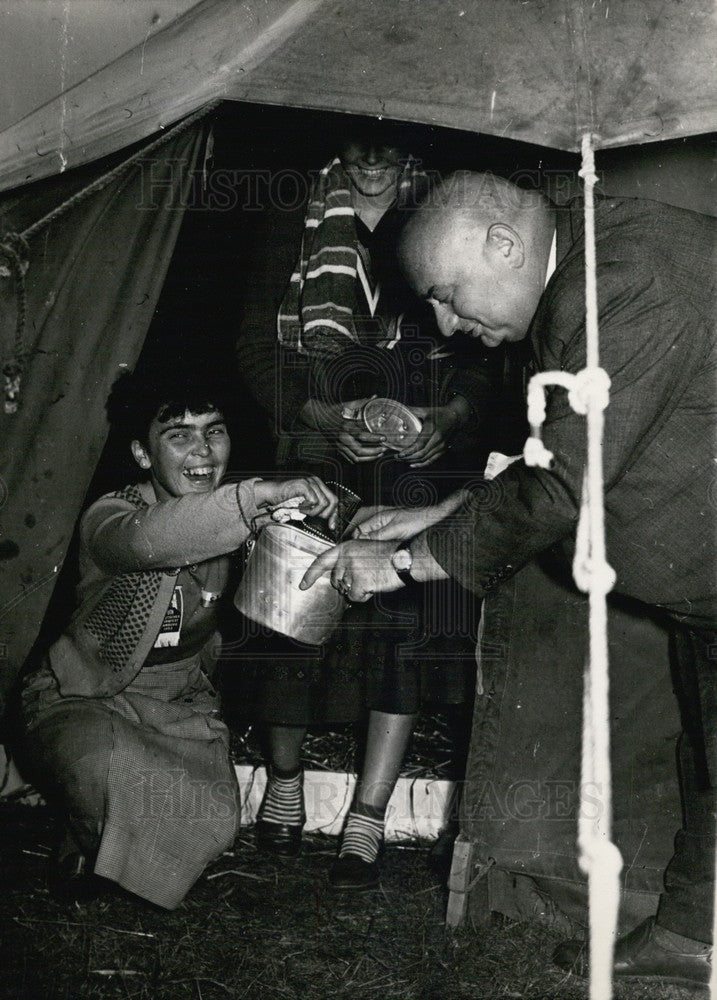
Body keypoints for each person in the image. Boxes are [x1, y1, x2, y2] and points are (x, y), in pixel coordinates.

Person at [301, 171, 717, 986]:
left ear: (503, 245)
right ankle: (691, 933)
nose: (449, 326)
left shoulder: (625, 281)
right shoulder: (585, 273)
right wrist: (439, 512)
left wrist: (398, 563)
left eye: (449, 297)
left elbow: (565, 484)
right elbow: (563, 447)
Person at [234, 126, 510, 889]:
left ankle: (368, 813)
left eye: (387, 148)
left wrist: (447, 422)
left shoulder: (443, 209)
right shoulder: (294, 208)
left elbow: (486, 360)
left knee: (401, 619)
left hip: (417, 444)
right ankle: (283, 781)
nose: (370, 163)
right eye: (356, 146)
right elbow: (255, 350)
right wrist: (320, 418)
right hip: (318, 437)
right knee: (292, 600)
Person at [19, 365, 337, 909]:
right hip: (85, 699)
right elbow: (159, 539)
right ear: (143, 455)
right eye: (179, 435)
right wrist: (254, 496)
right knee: (95, 759)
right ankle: (84, 836)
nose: (203, 452)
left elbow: (294, 575)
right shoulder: (111, 518)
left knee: (213, 823)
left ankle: (104, 847)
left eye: (214, 431)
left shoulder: (239, 521)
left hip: (178, 705)